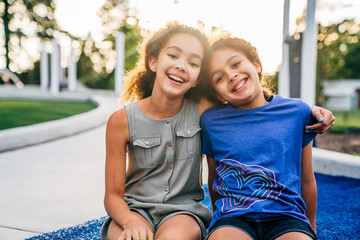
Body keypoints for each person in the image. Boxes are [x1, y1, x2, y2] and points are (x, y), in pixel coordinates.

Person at [101, 22, 334, 240]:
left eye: (193, 63)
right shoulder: (123, 120)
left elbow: (253, 107)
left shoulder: (206, 110)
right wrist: (130, 220)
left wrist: (311, 111)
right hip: (142, 210)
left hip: (188, 213)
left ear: (195, 80)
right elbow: (112, 194)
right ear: (152, 62)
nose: (181, 65)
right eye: (173, 55)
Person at [200, 36, 321, 240]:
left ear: (256, 65)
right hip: (233, 218)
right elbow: (213, 179)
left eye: (236, 64)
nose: (231, 75)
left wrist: (310, 228)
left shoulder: (298, 112)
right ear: (218, 94)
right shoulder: (211, 121)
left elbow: (307, 179)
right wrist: (219, 222)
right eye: (219, 78)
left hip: (287, 217)